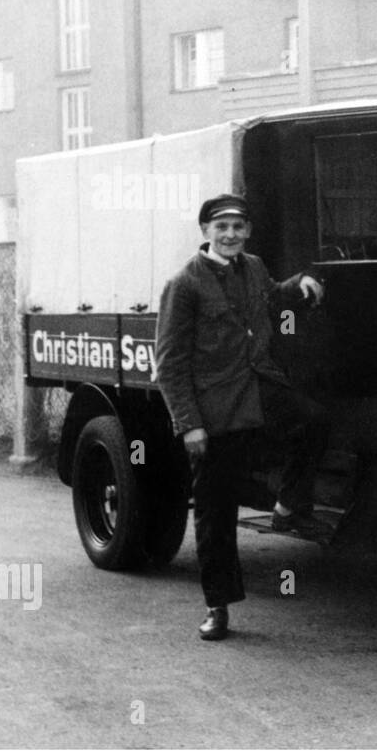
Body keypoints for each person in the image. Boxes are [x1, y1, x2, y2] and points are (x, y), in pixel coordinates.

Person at [155, 194, 330, 641]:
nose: (230, 234)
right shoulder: (185, 284)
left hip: (259, 385)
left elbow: (270, 297)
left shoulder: (251, 266)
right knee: (215, 509)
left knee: (312, 421)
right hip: (216, 407)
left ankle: (288, 507)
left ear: (248, 231)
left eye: (238, 226)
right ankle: (218, 605)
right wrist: (188, 423)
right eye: (222, 227)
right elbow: (170, 364)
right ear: (205, 232)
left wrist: (300, 283)